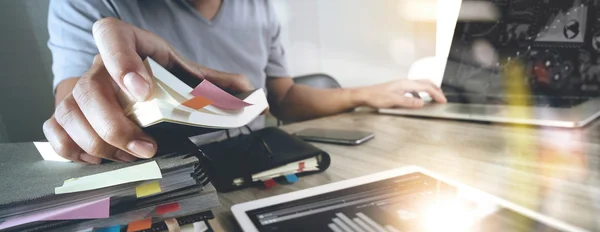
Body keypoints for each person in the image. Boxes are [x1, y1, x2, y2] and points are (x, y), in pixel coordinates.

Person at [45, 0, 447, 164]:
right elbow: (76, 102)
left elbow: (283, 97)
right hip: (171, 172)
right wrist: (103, 104)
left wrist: (367, 94)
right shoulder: (89, 5)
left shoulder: (259, 6)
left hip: (259, 160)